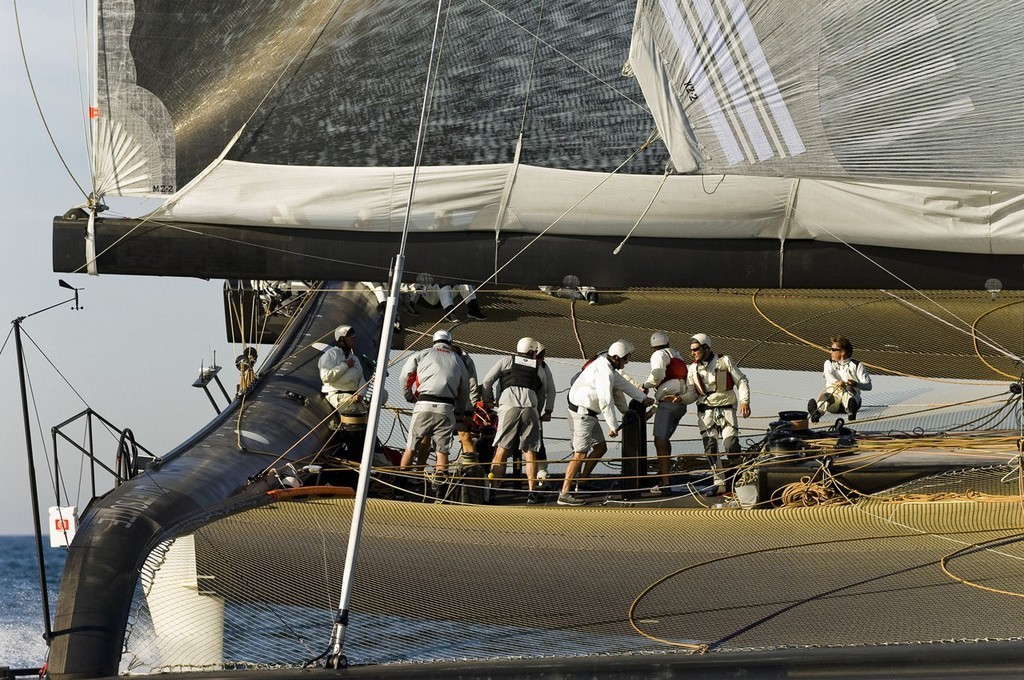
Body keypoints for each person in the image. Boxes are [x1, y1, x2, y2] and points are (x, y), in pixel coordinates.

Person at [559, 341, 653, 506]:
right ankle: (564, 494)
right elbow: (605, 401)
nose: (627, 362)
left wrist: (643, 398)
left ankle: (583, 480)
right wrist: (613, 426)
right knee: (580, 453)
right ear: (616, 357)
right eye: (625, 358)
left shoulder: (607, 366)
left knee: (600, 447)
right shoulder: (605, 372)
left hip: (587, 413)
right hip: (582, 415)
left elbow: (624, 385)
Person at [398, 329, 471, 494]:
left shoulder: (422, 354)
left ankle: (400, 486)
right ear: (450, 342)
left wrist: (409, 396)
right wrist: (459, 411)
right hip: (446, 408)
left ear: (434, 341)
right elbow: (465, 387)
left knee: (411, 447)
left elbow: (405, 376)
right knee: (442, 451)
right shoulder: (457, 359)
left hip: (423, 405)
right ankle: (440, 490)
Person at [481, 338, 548, 504]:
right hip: (530, 408)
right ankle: (532, 493)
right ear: (532, 351)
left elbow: (488, 381)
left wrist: (488, 400)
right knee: (530, 451)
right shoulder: (539, 368)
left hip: (508, 407)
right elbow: (543, 393)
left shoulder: (506, 360)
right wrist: (538, 413)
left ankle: (493, 490)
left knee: (501, 449)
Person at [688, 333, 750, 495]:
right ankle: (719, 483)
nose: (693, 353)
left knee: (731, 445)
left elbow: (741, 380)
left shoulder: (725, 361)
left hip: (726, 409)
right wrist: (679, 398)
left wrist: (744, 401)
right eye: (691, 350)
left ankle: (739, 472)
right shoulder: (692, 369)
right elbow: (692, 393)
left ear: (706, 348)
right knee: (710, 448)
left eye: (696, 349)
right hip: (706, 412)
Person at [643, 331, 696, 493]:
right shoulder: (676, 355)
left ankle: (665, 483)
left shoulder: (658, 355)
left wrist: (646, 385)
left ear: (653, 347)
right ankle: (663, 473)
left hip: (667, 406)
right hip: (679, 405)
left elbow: (658, 374)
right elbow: (673, 387)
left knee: (659, 441)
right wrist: (652, 412)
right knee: (665, 440)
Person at [319, 325, 368, 460]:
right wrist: (345, 365)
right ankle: (353, 456)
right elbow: (326, 376)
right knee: (354, 414)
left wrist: (360, 394)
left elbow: (362, 381)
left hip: (354, 396)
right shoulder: (330, 355)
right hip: (337, 394)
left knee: (366, 414)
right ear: (342, 339)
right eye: (351, 336)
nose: (354, 339)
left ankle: (362, 453)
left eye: (354, 336)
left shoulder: (355, 358)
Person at [808, 336, 871, 423]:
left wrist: (855, 384)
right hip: (835, 402)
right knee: (826, 396)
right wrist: (837, 382)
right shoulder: (829, 363)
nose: (830, 352)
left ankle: (851, 411)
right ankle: (816, 412)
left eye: (833, 350)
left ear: (843, 352)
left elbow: (868, 386)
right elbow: (828, 375)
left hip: (851, 398)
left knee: (849, 390)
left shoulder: (857, 365)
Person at [405, 273, 487, 321]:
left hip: (446, 291)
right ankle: (450, 313)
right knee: (442, 284)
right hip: (429, 298)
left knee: (463, 282)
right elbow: (407, 288)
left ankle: (474, 310)